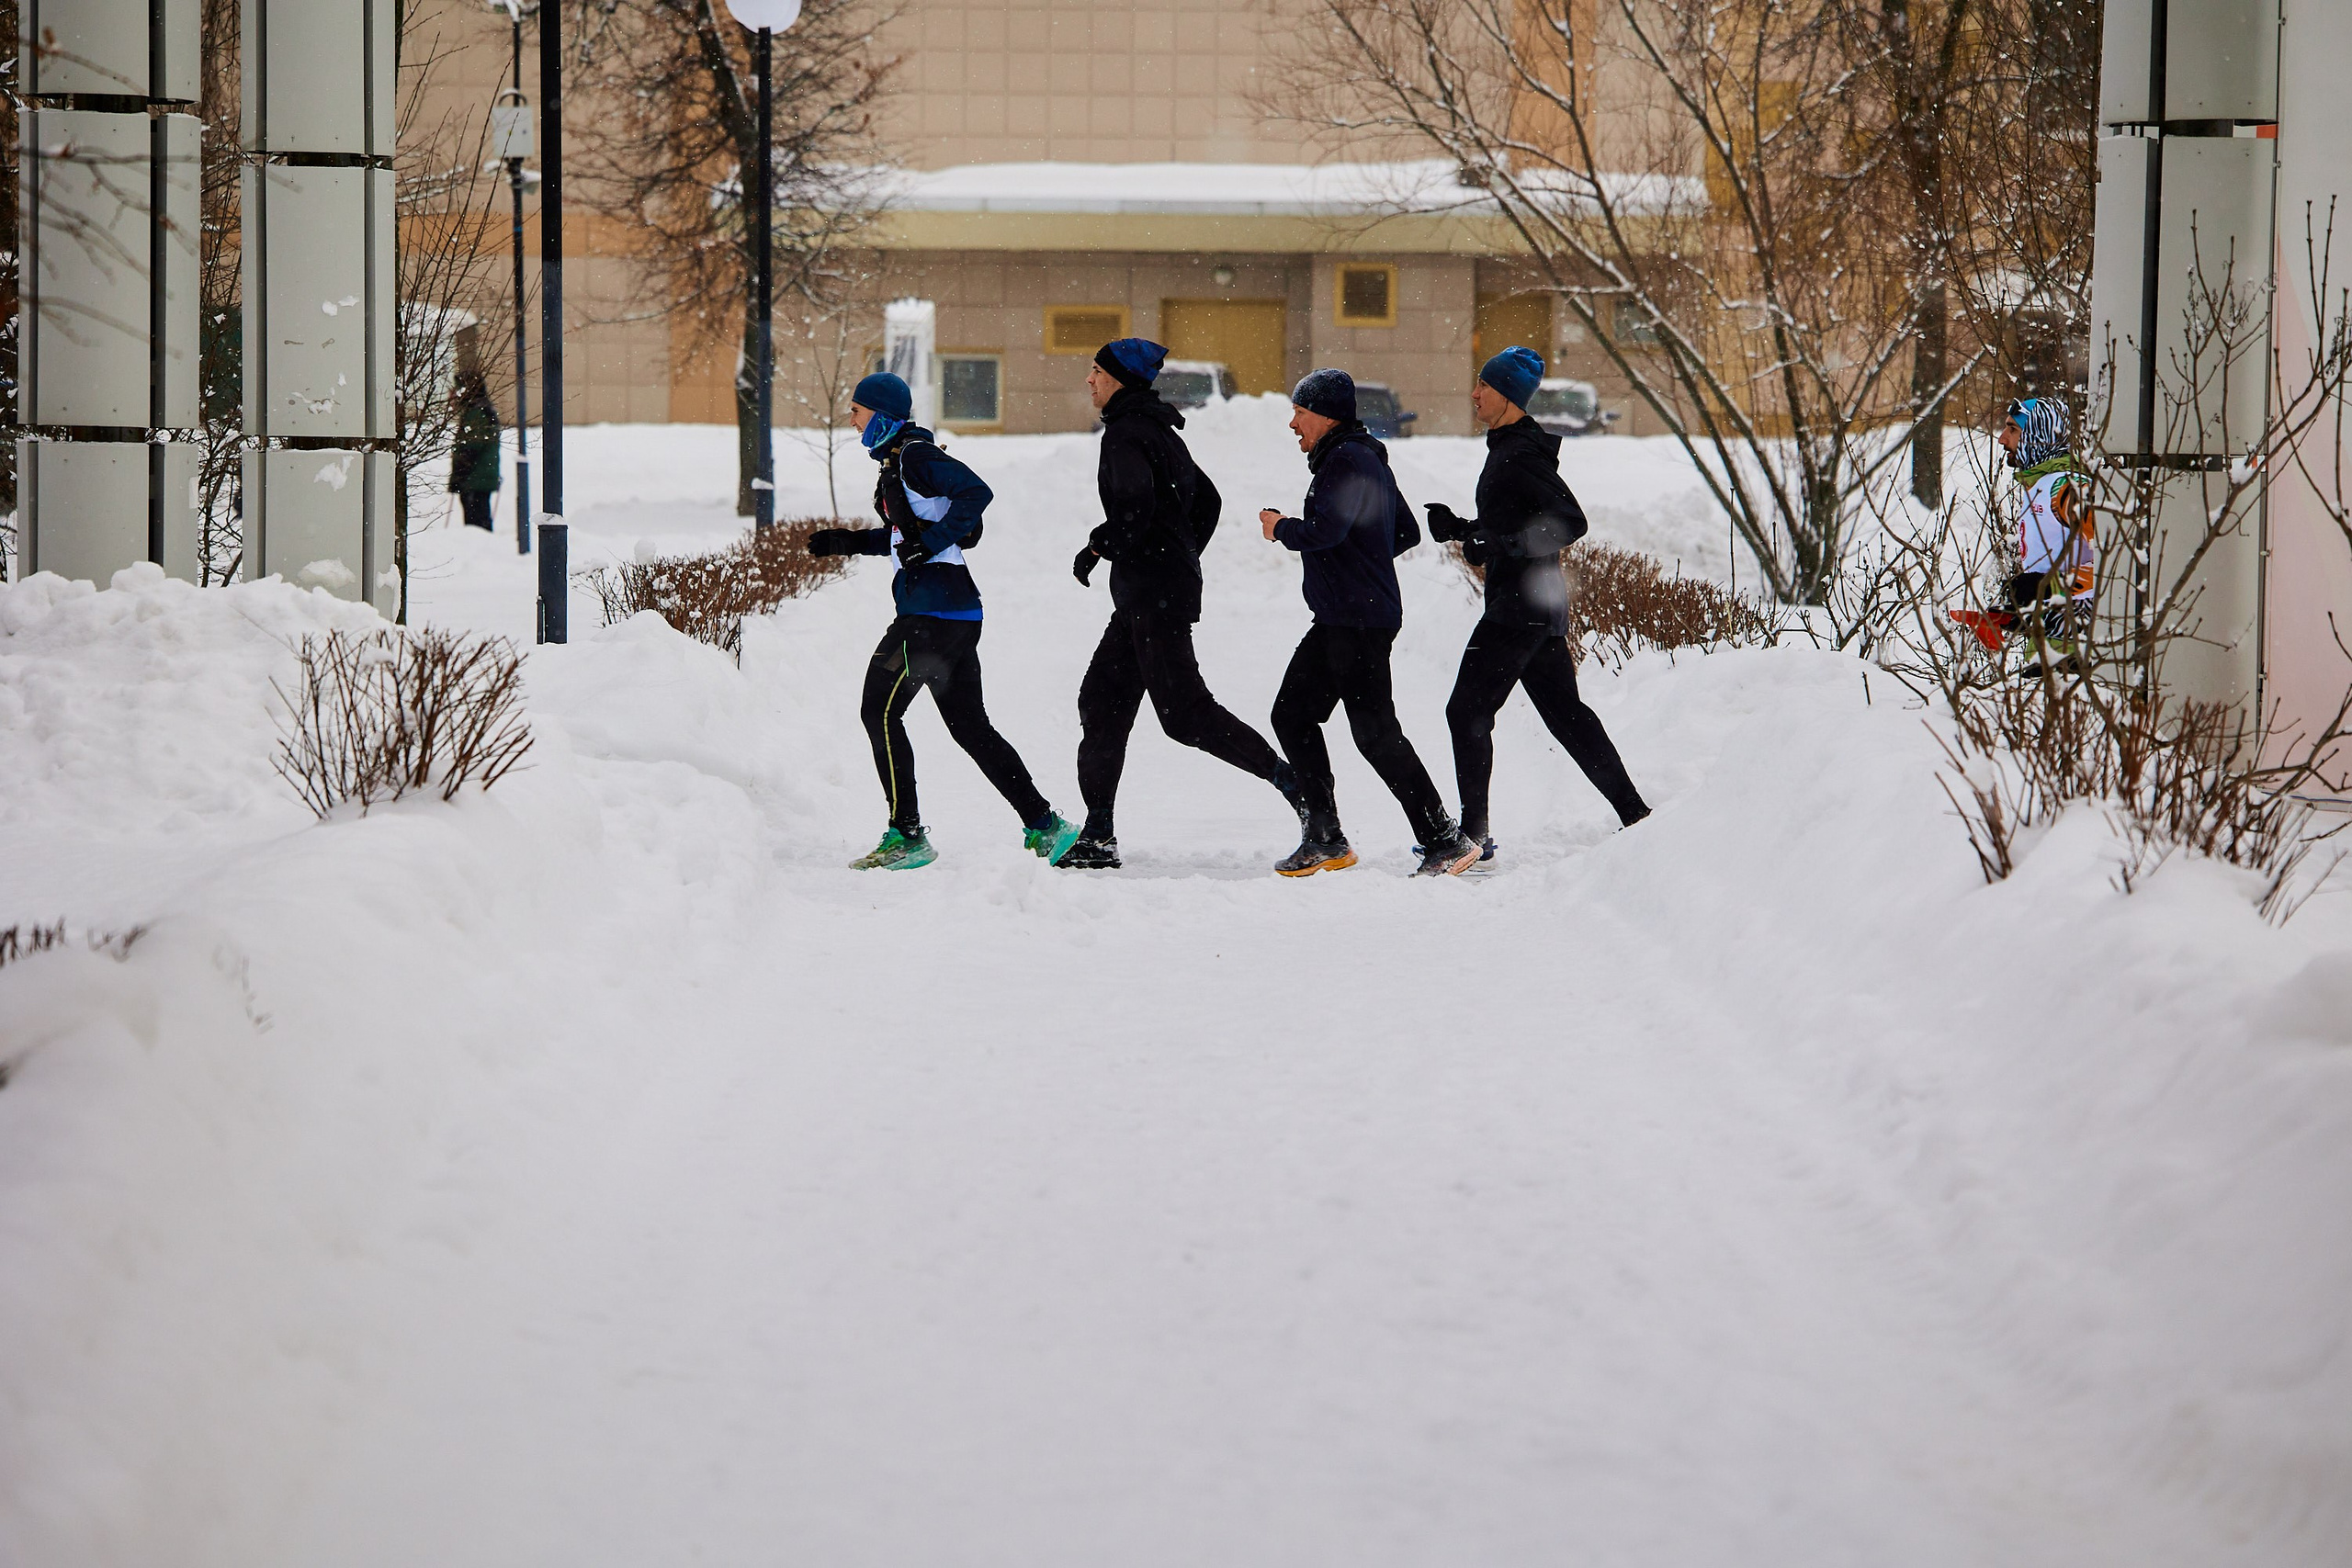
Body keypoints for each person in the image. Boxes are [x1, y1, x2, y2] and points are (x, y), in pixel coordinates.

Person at [808, 371, 1082, 871]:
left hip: (930, 618)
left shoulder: (915, 456)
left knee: (879, 712)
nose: (852, 421)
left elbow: (976, 493)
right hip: (953, 614)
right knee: (971, 728)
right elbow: (906, 536)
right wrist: (847, 542)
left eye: (857, 411)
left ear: (882, 415)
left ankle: (907, 835)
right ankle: (1046, 826)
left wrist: (927, 543)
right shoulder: (899, 460)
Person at [1065, 336, 1306, 869]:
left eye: (1097, 372)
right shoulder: (1156, 430)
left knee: (1185, 714)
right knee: (1101, 700)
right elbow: (1208, 501)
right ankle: (1098, 834)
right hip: (1149, 593)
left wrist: (1101, 546)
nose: (1089, 380)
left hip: (1152, 595)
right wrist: (1178, 554)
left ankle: (1298, 786)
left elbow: (1134, 509)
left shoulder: (1127, 433)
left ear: (1119, 380)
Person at [1258, 368, 1483, 878]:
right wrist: (1360, 561)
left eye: (1299, 413)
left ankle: (1439, 839)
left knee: (1369, 731)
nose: (1293, 424)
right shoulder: (1365, 457)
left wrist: (1280, 528)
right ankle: (1328, 837)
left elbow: (1325, 530)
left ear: (1325, 416)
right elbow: (1404, 532)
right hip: (1351, 616)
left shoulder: (1346, 459)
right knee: (1298, 716)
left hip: (1354, 620)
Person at [1426, 347, 1649, 858]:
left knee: (1467, 710)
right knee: (1567, 716)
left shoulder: (1520, 454)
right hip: (1533, 607)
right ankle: (1635, 814)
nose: (1474, 394)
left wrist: (1502, 544)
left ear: (1508, 394)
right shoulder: (1509, 448)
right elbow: (1515, 521)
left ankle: (1472, 837)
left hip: (1518, 608)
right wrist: (1464, 530)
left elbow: (1570, 521)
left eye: (1484, 386)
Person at [1993, 396, 2095, 679]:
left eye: (2013, 429)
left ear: (2039, 435)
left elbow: (2116, 563)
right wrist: (2025, 607)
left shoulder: (2067, 489)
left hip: (2077, 655)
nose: (2002, 439)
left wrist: (2049, 589)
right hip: (2049, 648)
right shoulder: (2040, 485)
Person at [449, 371, 502, 531]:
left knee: (476, 524)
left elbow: (471, 448)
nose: (453, 394)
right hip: (481, 477)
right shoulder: (483, 410)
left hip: (474, 479)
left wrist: (460, 474)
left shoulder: (475, 414)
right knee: (480, 520)